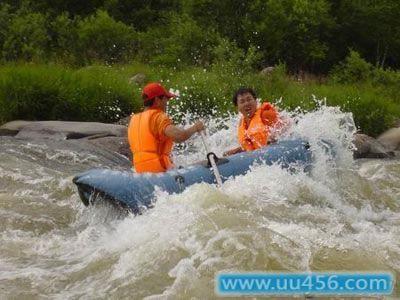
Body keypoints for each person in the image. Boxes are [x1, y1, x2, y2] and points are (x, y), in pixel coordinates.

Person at [128, 82, 205, 173]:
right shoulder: (157, 117)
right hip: (160, 173)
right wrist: (196, 127)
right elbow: (179, 136)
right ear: (157, 100)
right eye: (166, 98)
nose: (167, 102)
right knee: (205, 163)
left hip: (141, 174)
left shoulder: (133, 120)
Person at [223, 87, 285, 157]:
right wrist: (236, 151)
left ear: (255, 101)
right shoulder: (242, 123)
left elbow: (286, 126)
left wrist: (275, 137)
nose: (246, 103)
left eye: (249, 99)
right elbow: (252, 146)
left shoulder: (265, 115)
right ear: (237, 107)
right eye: (242, 102)